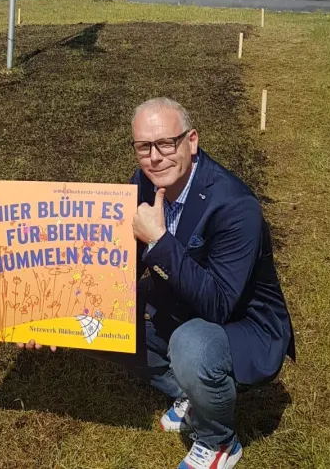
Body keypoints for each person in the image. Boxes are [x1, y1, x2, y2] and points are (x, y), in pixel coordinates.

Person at [19, 97, 295, 469]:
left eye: (167, 143)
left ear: (192, 141)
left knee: (191, 346)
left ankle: (219, 442)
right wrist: (55, 318)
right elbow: (116, 270)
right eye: (143, 147)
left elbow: (219, 305)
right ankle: (188, 395)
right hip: (180, 300)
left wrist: (160, 242)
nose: (155, 157)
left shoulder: (235, 206)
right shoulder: (144, 183)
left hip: (243, 323)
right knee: (92, 324)